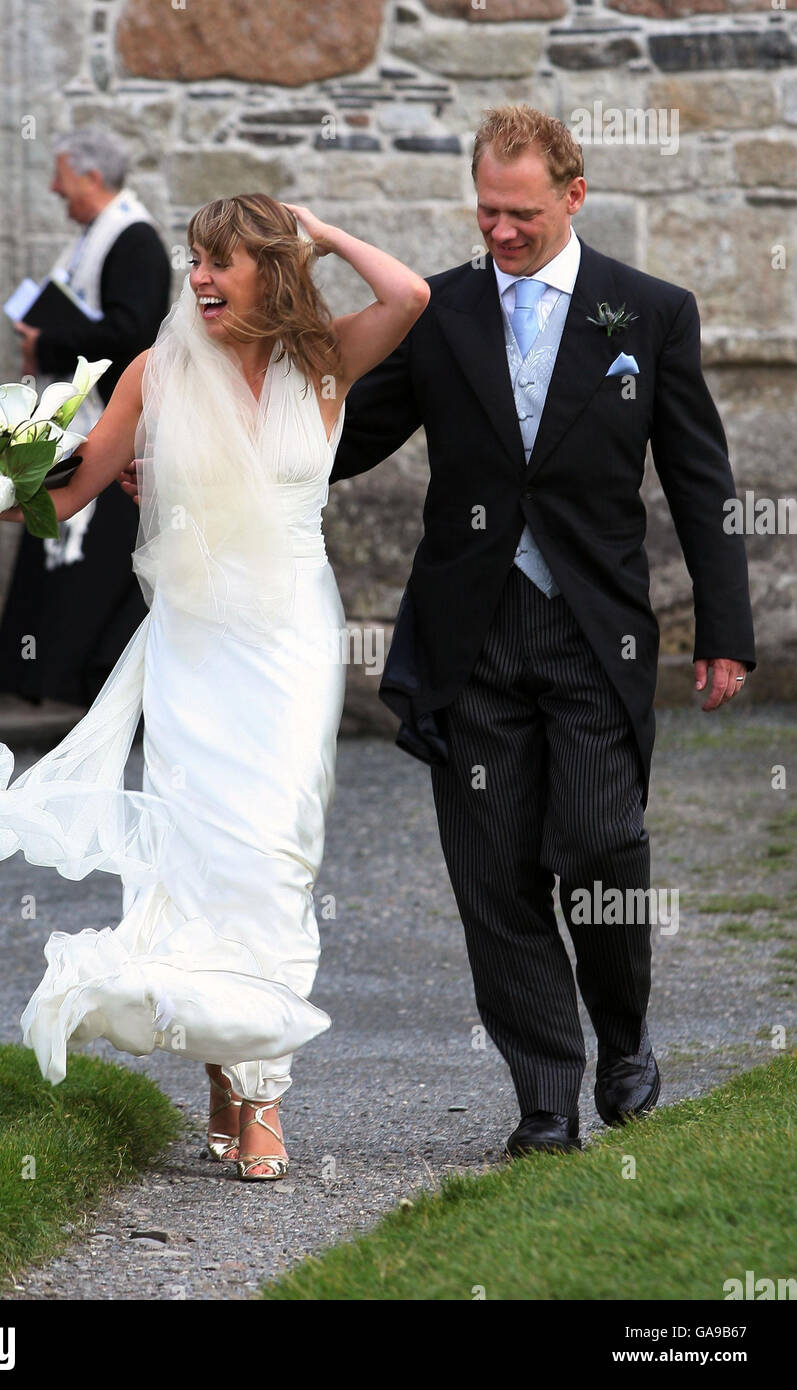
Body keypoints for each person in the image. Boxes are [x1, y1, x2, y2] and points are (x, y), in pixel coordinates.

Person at [0, 194, 429, 1180]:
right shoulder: (156, 373)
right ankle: (229, 1068)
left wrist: (318, 228)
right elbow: (71, 489)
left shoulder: (320, 361)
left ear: (271, 270)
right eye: (194, 262)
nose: (198, 279)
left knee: (277, 855)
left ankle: (263, 1089)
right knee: (202, 863)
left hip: (286, 642)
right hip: (194, 643)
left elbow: (407, 293)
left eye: (221, 263)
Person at [328, 106, 755, 1157]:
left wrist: (725, 627)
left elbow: (701, 479)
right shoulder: (439, 311)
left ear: (572, 194)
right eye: (485, 209)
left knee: (603, 846)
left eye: (520, 211)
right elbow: (344, 436)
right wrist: (215, 448)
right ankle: (546, 1099)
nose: (500, 231)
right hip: (469, 634)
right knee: (496, 872)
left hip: (593, 631)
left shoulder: (649, 312)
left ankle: (624, 1037)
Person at [0, 126, 171, 708]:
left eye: (62, 178)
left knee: (104, 575)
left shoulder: (134, 240)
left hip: (112, 432)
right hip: (83, 430)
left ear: (91, 176)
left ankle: (101, 690)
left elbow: (131, 333)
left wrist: (45, 344)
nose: (52, 188)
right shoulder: (97, 236)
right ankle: (66, 684)